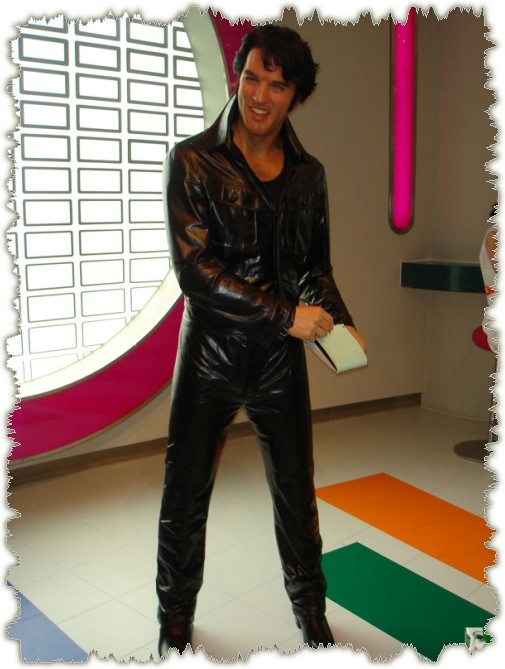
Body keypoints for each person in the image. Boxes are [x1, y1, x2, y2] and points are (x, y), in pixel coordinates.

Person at [156, 24, 366, 656]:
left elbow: (314, 269)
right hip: (211, 354)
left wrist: (339, 318)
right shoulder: (192, 160)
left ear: (295, 94)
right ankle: (174, 617)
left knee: (296, 492)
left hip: (278, 361)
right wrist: (286, 315)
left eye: (276, 85)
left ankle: (311, 609)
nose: (259, 95)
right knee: (185, 493)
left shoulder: (309, 175)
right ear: (237, 76)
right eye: (252, 77)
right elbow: (197, 273)